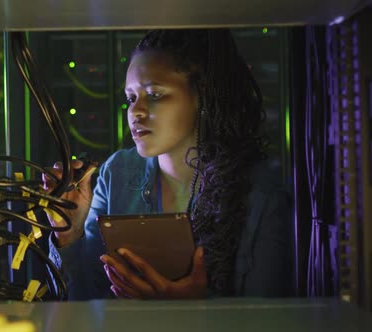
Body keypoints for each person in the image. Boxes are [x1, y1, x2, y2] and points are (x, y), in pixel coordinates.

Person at [43, 29, 293, 300]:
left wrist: (200, 309)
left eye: (155, 94)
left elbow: (270, 315)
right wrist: (69, 233)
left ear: (202, 95)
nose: (135, 111)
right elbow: (85, 300)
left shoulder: (258, 193)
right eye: (131, 98)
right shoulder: (117, 173)